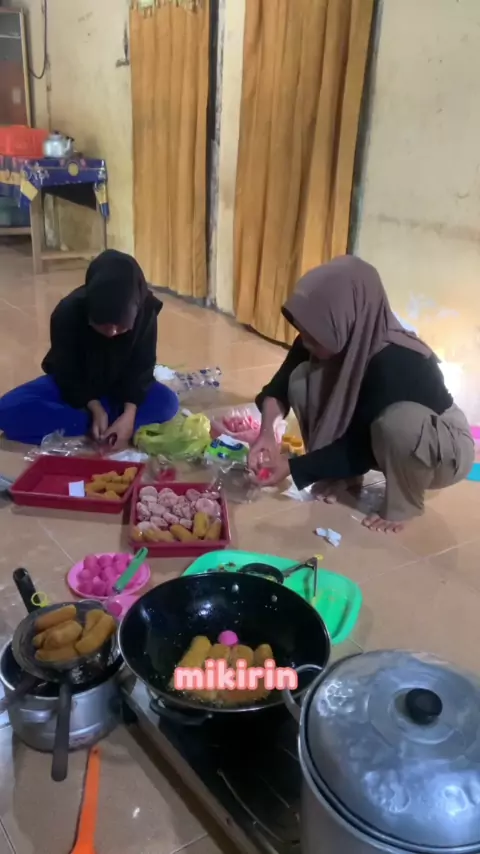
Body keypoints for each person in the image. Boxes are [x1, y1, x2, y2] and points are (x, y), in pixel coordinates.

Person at [248, 256, 474, 533]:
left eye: (313, 337)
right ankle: (341, 475)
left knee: (398, 423)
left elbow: (360, 446)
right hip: (373, 437)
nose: (306, 342)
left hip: (439, 451)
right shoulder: (326, 335)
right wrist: (267, 435)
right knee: (303, 379)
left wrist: (294, 467)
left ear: (346, 319)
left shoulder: (397, 360)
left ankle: (404, 504)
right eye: (304, 333)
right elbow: (280, 387)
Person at [0, 249, 179, 448]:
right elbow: (67, 371)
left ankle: (92, 425)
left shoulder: (145, 313)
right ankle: (101, 422)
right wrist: (95, 409)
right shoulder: (68, 312)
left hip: (123, 389)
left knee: (167, 403)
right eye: (103, 324)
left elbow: (141, 368)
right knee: (6, 409)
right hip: (78, 387)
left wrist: (129, 415)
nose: (112, 332)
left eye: (121, 326)